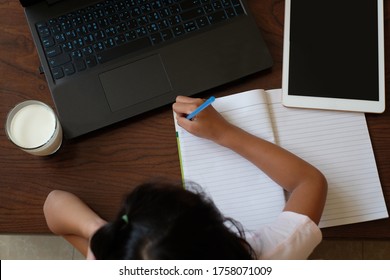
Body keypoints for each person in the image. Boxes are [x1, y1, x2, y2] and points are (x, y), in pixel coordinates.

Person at [43, 96, 327, 260]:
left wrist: (100, 234)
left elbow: (53, 206)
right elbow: (309, 182)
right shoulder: (274, 256)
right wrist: (225, 133)